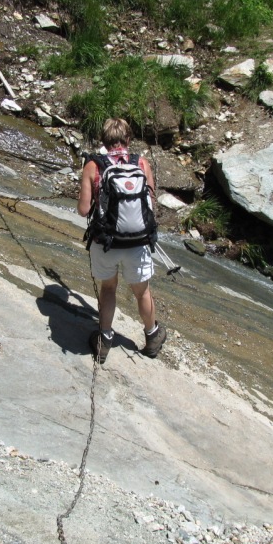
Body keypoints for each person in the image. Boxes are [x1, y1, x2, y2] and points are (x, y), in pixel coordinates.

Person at [77, 118, 167, 363]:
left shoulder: (93, 166)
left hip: (106, 241)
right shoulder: (141, 163)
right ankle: (152, 337)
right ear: (128, 140)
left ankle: (104, 340)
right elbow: (151, 204)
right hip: (138, 242)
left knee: (108, 288)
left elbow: (84, 210)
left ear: (103, 141)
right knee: (142, 292)